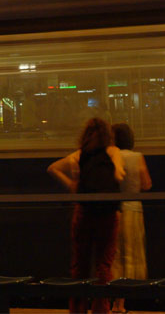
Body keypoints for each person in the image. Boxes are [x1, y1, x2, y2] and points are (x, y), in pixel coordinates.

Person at [47, 118, 124, 314]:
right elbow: (119, 176)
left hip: (83, 212)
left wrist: (73, 185)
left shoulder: (79, 155)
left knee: (79, 265)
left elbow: (52, 168)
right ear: (108, 135)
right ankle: (101, 309)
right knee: (103, 265)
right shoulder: (113, 151)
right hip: (107, 214)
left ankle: (77, 310)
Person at [110, 123, 152, 314]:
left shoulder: (113, 157)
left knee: (115, 255)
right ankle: (123, 302)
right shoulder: (138, 157)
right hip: (134, 209)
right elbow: (146, 184)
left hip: (116, 210)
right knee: (131, 254)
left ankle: (114, 302)